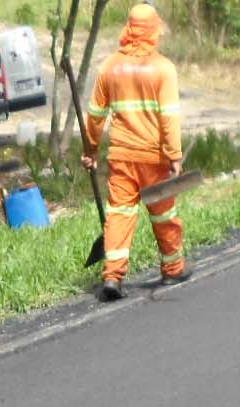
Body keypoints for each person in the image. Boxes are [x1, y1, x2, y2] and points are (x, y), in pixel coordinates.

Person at [82, 3, 186, 301]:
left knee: (119, 215)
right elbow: (168, 118)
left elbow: (95, 114)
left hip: (122, 158)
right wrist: (174, 156)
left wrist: (91, 149)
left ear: (129, 29)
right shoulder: (163, 69)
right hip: (153, 159)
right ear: (153, 30)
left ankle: (112, 277)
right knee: (163, 213)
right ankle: (173, 269)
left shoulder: (110, 66)